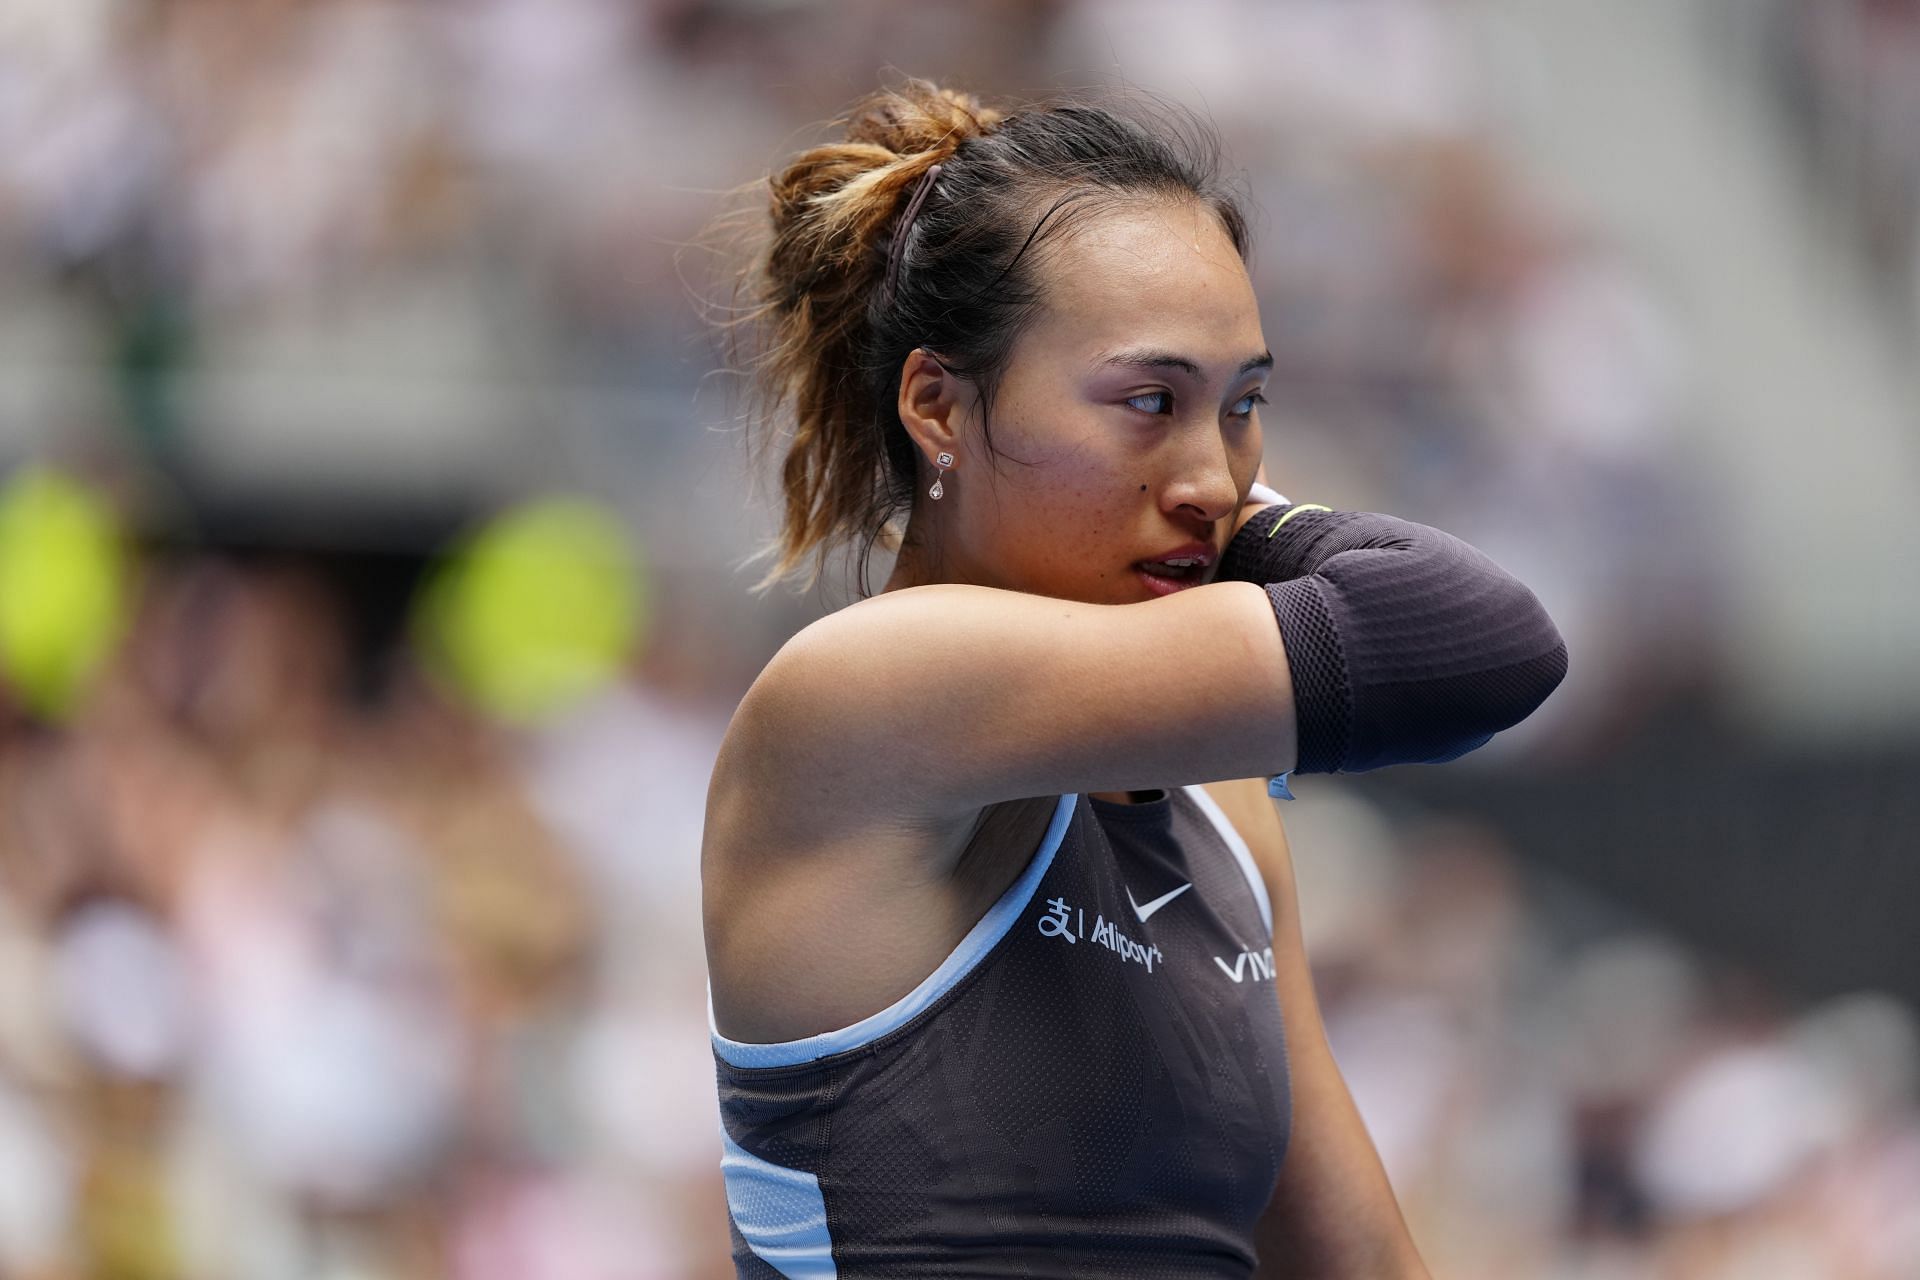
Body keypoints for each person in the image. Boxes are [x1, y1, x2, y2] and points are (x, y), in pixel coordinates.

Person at [700, 79, 1567, 1278]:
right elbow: (1479, 639)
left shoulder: (1224, 799)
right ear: (938, 406)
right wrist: (1249, 523)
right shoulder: (869, 689)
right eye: (1150, 401)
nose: (1210, 474)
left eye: (1244, 406)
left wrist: (1190, 478)